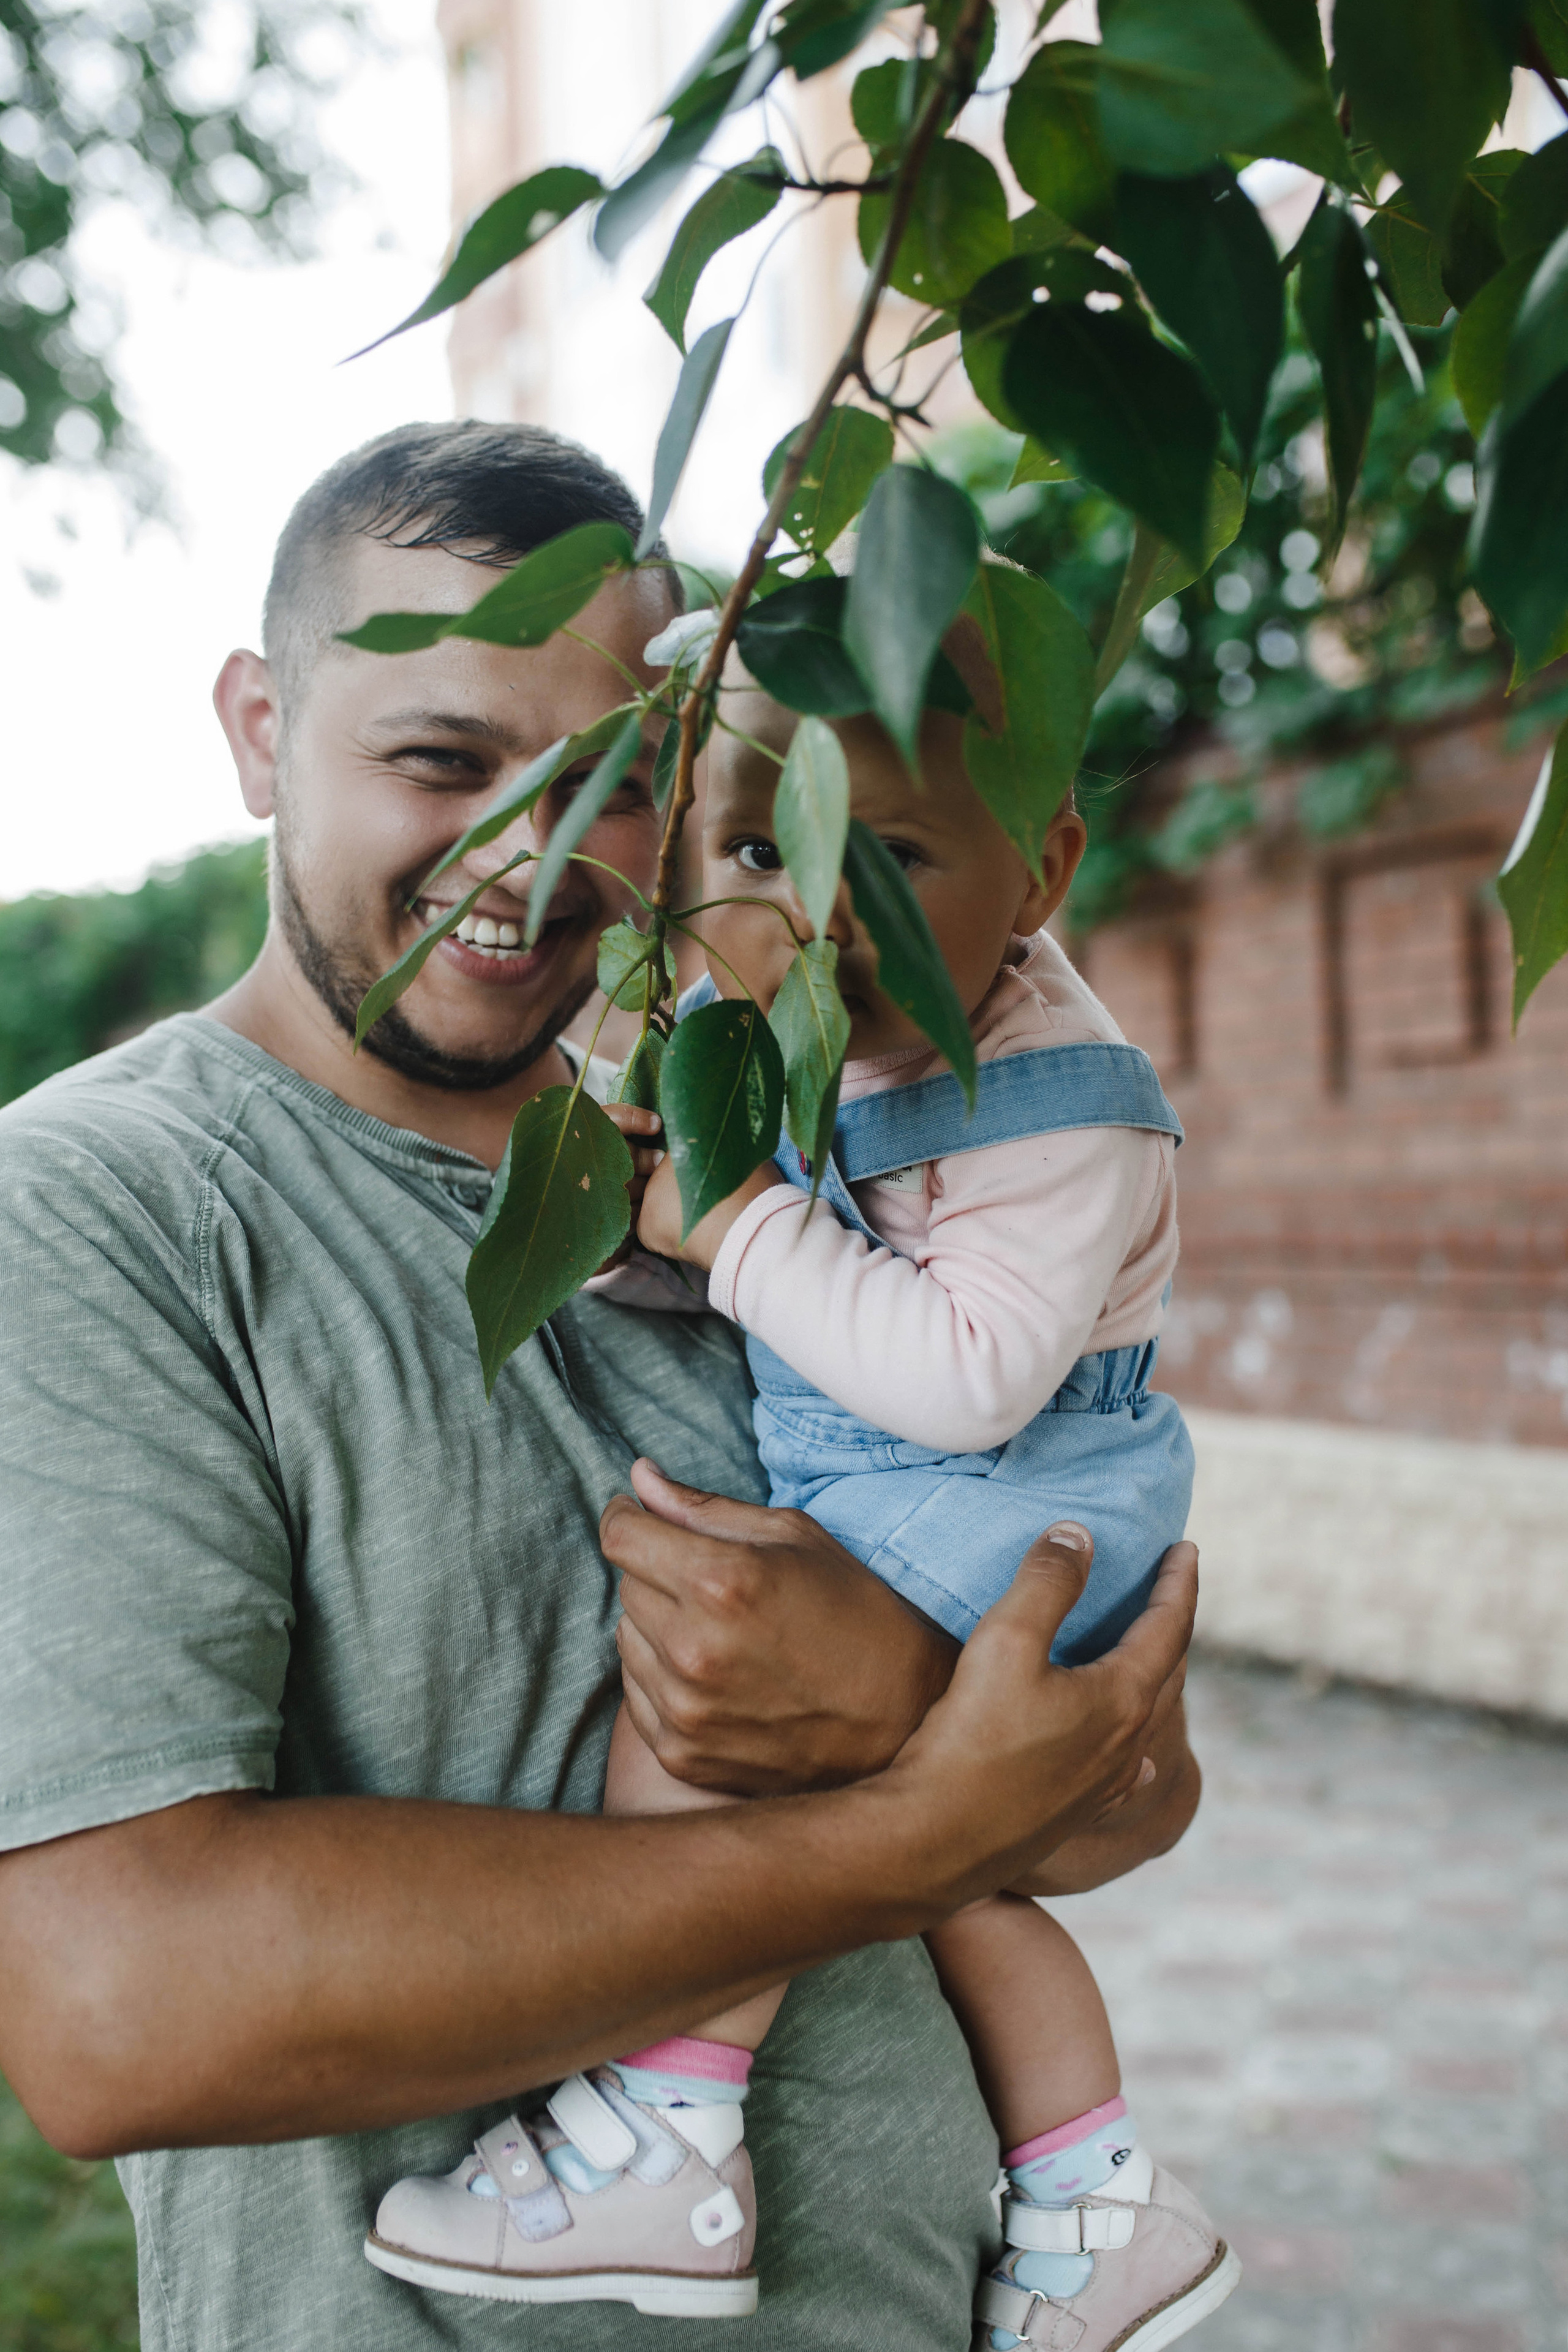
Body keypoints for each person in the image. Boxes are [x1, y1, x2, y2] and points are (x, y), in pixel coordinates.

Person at [0, 421, 1198, 2352]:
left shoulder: (767, 1143)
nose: (527, 856)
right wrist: (890, 1836)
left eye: (612, 785)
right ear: (258, 732)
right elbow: (117, 2013)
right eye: (440, 762)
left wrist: (900, 1688)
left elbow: (1135, 1790)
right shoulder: (99, 1212)